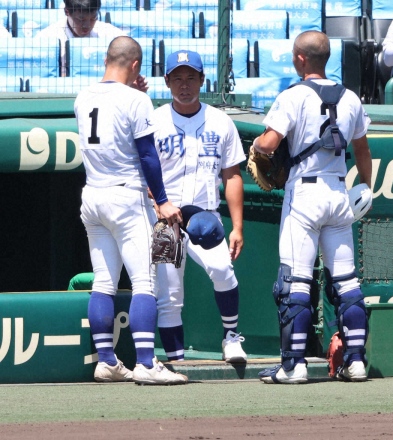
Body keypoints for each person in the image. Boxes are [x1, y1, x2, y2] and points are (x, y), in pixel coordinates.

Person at [253, 30, 372, 384]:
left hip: (304, 195)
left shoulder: (293, 96)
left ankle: (294, 365)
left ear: (300, 59)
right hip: (339, 193)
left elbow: (269, 143)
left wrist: (259, 146)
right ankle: (356, 361)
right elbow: (363, 151)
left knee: (295, 284)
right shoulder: (350, 97)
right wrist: (365, 186)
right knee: (347, 282)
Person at [74, 36, 187, 385]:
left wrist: (133, 90)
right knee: (145, 282)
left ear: (108, 59)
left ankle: (107, 360)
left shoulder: (82, 96)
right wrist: (164, 199)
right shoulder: (137, 99)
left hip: (92, 195)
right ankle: (146, 363)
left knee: (104, 281)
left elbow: (112, 112)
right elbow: (148, 156)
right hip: (126, 195)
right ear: (135, 65)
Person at [150, 50, 247, 363]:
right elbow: (143, 171)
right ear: (166, 81)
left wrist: (238, 227)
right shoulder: (154, 121)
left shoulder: (220, 121)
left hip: (206, 217)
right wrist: (156, 204)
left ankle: (231, 337)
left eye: (191, 77)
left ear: (202, 80)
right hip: (165, 220)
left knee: (222, 270)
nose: (184, 84)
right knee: (169, 296)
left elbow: (232, 175)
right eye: (177, 77)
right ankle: (176, 360)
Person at [35, 0, 125, 76]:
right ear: (67, 12)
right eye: (81, 20)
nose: (87, 25)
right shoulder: (47, 38)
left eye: (93, 18)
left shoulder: (111, 35)